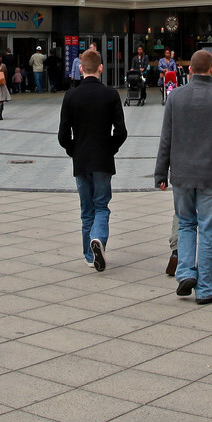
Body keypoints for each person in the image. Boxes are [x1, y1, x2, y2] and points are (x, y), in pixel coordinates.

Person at [157, 48, 212, 304]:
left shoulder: (175, 98)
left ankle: (185, 274)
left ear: (189, 70)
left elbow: (166, 140)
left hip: (181, 175)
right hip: (210, 175)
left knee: (185, 224)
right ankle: (205, 289)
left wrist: (161, 173)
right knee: (208, 228)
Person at [58, 48, 125, 272]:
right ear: (100, 68)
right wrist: (110, 148)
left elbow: (62, 135)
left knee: (87, 210)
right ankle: (98, 239)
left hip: (81, 159)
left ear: (80, 69)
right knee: (102, 206)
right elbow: (121, 131)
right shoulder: (111, 94)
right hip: (103, 159)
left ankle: (89, 254)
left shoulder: (71, 96)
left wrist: (73, 150)